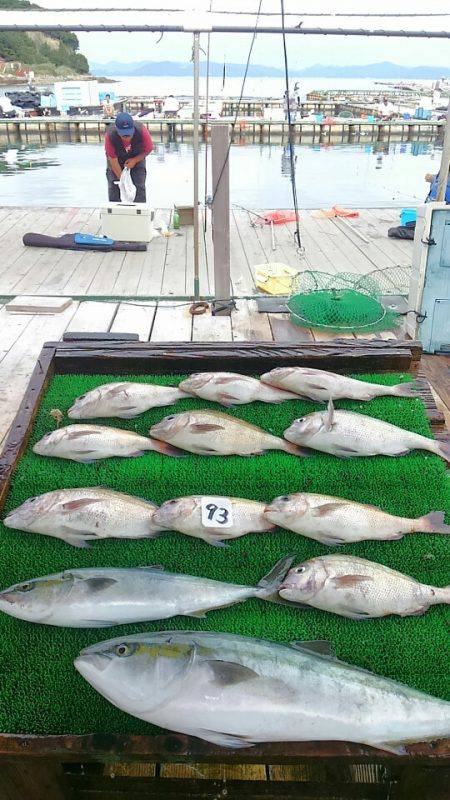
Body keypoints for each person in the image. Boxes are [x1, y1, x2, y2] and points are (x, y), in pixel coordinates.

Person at [104, 111, 154, 203]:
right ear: (117, 130)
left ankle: (139, 211)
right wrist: (123, 181)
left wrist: (135, 160)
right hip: (116, 160)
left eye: (129, 134)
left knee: (139, 186)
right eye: (123, 135)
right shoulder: (110, 136)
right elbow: (113, 160)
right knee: (114, 186)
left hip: (137, 157)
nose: (127, 137)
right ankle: (116, 211)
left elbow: (148, 149)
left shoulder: (141, 130)